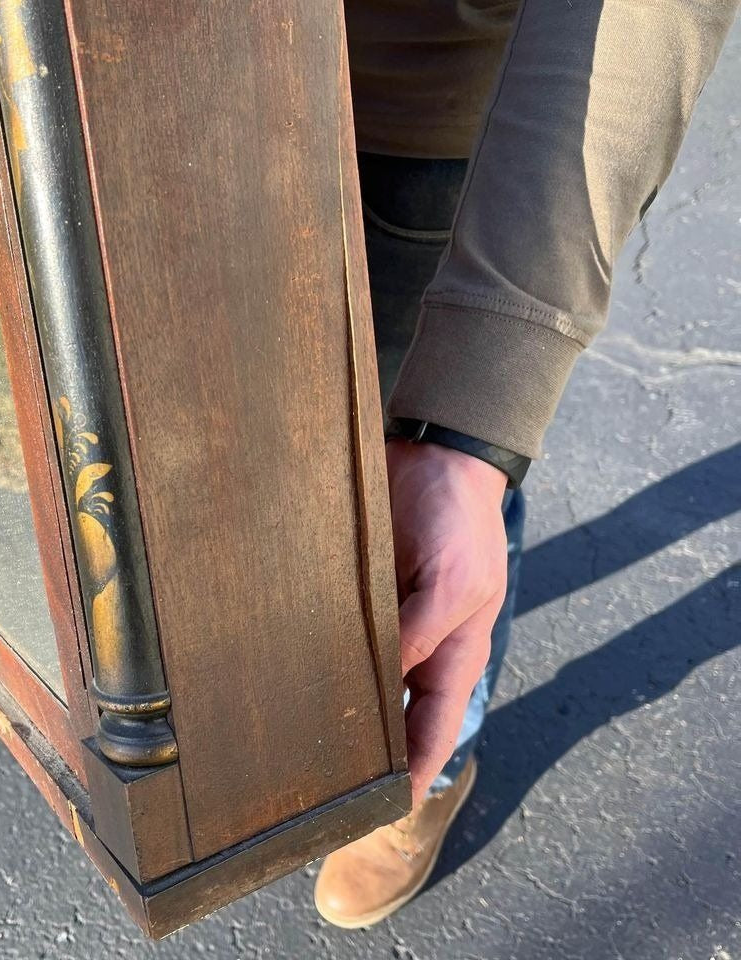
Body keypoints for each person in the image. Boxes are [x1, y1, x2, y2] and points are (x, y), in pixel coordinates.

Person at [314, 0, 739, 929]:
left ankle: (437, 747)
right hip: (145, 109)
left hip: (411, 109)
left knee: (436, 477)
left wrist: (478, 419)